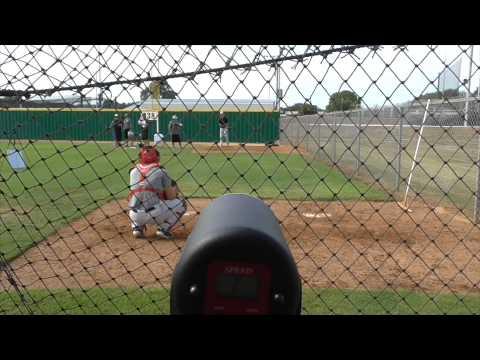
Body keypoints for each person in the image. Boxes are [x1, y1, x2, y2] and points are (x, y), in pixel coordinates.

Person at [127, 146, 187, 239]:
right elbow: (171, 196)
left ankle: (137, 227)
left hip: (134, 215)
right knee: (182, 203)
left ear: (140, 158)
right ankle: (163, 229)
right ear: (157, 158)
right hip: (155, 214)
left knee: (136, 200)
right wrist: (174, 191)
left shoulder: (133, 171)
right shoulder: (161, 171)